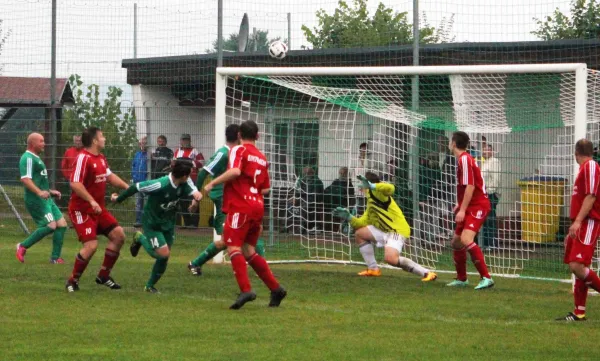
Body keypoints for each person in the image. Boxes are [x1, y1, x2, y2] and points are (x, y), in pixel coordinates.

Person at [204, 120, 286, 310]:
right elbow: (266, 189)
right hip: (258, 205)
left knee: (233, 247)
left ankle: (246, 289)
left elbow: (235, 171)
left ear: (239, 135)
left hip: (241, 205)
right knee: (249, 249)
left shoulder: (238, 150)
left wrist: (212, 183)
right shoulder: (262, 158)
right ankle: (276, 289)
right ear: (257, 136)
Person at [111, 160, 202, 293]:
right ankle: (140, 237)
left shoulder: (184, 182)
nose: (190, 178)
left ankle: (149, 286)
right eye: (189, 175)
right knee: (162, 254)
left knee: (165, 257)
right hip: (152, 223)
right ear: (183, 176)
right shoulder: (160, 184)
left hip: (168, 223)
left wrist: (196, 199)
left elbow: (193, 190)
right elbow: (136, 187)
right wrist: (118, 199)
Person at [188, 124, 265, 275]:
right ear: (238, 135)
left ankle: (195, 263)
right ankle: (195, 263)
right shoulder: (224, 153)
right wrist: (196, 197)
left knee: (248, 232)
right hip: (225, 200)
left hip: (237, 200)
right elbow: (204, 172)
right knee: (231, 238)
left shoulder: (240, 153)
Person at [332, 172, 438, 281]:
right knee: (360, 234)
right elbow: (361, 223)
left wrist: (373, 186)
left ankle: (427, 273)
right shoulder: (371, 203)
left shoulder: (379, 193)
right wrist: (349, 217)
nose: (360, 188)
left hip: (396, 230)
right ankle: (373, 269)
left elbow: (390, 188)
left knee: (391, 259)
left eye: (361, 185)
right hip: (383, 230)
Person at [65, 127, 130, 292]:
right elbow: (75, 183)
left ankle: (103, 276)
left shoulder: (100, 158)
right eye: (102, 136)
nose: (104, 139)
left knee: (119, 236)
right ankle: (72, 281)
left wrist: (129, 188)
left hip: (98, 209)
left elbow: (109, 176)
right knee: (91, 246)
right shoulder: (83, 158)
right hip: (82, 210)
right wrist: (91, 200)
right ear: (94, 140)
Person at [556, 139, 600, 321]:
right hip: (580, 222)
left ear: (576, 153)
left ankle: (579, 312)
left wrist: (579, 221)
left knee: (577, 265)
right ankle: (579, 312)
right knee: (578, 267)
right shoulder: (584, 169)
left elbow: (591, 196)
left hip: (588, 222)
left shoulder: (590, 166)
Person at [446, 131, 494, 290]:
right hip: (469, 205)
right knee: (456, 242)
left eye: (449, 141)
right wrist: (460, 205)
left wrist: (462, 210)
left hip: (478, 205)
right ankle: (462, 278)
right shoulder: (463, 159)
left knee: (466, 239)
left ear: (453, 143)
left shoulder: (465, 159)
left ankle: (486, 278)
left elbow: (470, 186)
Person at [16, 133, 67, 264]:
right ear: (32, 143)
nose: (44, 143)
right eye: (41, 141)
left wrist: (50, 191)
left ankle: (55, 258)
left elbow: (37, 181)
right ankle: (22, 246)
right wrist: (39, 193)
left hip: (46, 199)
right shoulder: (27, 158)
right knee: (50, 225)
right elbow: (25, 179)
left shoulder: (36, 158)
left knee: (61, 224)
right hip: (36, 199)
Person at [174, 133, 204, 228]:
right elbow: (173, 163)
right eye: (183, 140)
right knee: (182, 201)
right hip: (181, 179)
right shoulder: (177, 151)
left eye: (187, 140)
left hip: (193, 178)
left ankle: (194, 223)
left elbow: (202, 162)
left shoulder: (194, 151)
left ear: (190, 141)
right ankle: (187, 223)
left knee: (194, 199)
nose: (185, 141)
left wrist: (190, 162)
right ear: (181, 141)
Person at [480, 144, 501, 249]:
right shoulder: (484, 162)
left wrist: (489, 191)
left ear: (492, 151)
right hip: (483, 194)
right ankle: (485, 242)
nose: (485, 151)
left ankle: (491, 242)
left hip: (490, 194)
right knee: (484, 218)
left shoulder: (494, 162)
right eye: (484, 150)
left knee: (490, 218)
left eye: (487, 149)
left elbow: (496, 179)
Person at [295, 166, 324, 232]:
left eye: (306, 173)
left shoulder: (317, 181)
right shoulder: (304, 181)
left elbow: (314, 194)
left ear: (311, 173)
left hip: (314, 201)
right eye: (304, 173)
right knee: (289, 203)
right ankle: (286, 225)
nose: (305, 175)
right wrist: (296, 197)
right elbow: (298, 191)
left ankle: (304, 226)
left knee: (304, 206)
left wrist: (300, 196)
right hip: (305, 199)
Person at [131, 136, 148, 227]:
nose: (142, 145)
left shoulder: (148, 154)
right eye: (141, 143)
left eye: (144, 143)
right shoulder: (137, 154)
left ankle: (147, 221)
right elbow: (133, 166)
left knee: (146, 201)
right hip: (137, 182)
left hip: (146, 182)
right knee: (138, 202)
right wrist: (133, 177)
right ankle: (138, 221)